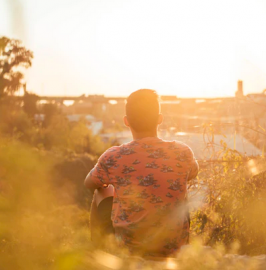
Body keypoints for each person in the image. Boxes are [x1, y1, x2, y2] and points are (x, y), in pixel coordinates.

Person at [84, 89, 199, 258]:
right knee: (181, 187)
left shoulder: (114, 157)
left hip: (130, 249)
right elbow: (193, 173)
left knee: (101, 191)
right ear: (160, 119)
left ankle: (99, 253)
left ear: (126, 121)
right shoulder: (182, 152)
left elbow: (89, 183)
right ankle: (179, 244)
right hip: (173, 249)